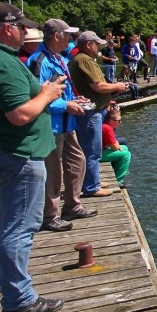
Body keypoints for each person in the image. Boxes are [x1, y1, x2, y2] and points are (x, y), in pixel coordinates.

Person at [0, 2, 65, 312]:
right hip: (17, 156)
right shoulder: (4, 64)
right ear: (8, 28)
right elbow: (19, 114)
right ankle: (19, 298)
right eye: (22, 27)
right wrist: (47, 94)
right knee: (19, 227)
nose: (26, 32)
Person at [28, 18, 101, 234]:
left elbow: (61, 89)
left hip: (67, 124)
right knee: (53, 171)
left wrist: (73, 100)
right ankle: (50, 216)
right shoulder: (39, 61)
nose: (71, 39)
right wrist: (64, 105)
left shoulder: (58, 58)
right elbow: (36, 95)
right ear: (58, 36)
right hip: (51, 125)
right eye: (68, 34)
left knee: (77, 162)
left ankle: (72, 205)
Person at [69, 31, 131, 198]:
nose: (100, 46)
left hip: (92, 111)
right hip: (90, 112)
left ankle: (92, 180)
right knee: (92, 151)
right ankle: (91, 187)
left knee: (91, 149)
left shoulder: (81, 59)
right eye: (97, 44)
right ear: (88, 45)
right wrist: (117, 86)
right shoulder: (84, 60)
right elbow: (98, 86)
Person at [101, 107, 132, 187]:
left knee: (125, 148)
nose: (120, 122)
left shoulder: (106, 126)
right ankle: (118, 180)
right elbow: (115, 146)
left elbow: (115, 142)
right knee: (126, 155)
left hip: (101, 150)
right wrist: (118, 146)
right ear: (111, 121)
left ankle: (117, 170)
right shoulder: (107, 128)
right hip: (97, 155)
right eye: (118, 121)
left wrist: (118, 146)